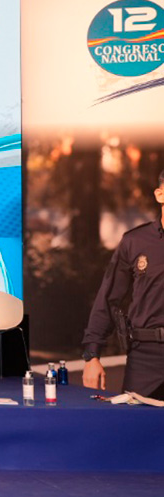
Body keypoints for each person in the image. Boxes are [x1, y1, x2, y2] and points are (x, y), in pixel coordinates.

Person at [82, 170, 164, 399]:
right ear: (160, 195)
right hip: (145, 357)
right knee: (134, 420)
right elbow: (109, 299)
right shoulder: (135, 241)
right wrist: (92, 355)